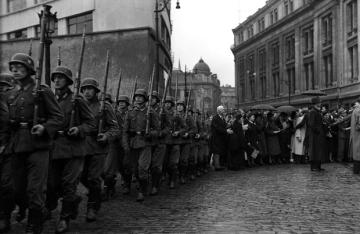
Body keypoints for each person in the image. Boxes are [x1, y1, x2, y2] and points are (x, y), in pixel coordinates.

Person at [6, 53, 64, 233]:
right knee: (16, 188)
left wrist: (44, 127)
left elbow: (58, 117)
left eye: (19, 67)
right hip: (16, 144)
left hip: (38, 145)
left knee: (35, 188)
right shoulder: (11, 93)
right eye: (13, 67)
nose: (15, 70)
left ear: (29, 69)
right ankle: (37, 210)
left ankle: (34, 222)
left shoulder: (42, 90)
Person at [47, 66, 96, 233]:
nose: (57, 80)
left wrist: (79, 130)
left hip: (74, 148)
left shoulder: (77, 100)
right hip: (54, 147)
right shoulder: (50, 98)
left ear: (68, 81)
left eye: (61, 78)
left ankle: (64, 218)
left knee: (69, 183)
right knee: (52, 184)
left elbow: (91, 123)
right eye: (55, 78)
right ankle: (73, 200)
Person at [80, 78, 119, 222]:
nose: (86, 92)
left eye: (89, 89)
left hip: (98, 146)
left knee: (93, 178)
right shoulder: (79, 104)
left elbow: (115, 128)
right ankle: (95, 194)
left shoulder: (104, 106)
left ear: (96, 91)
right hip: (81, 146)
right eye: (84, 89)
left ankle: (92, 208)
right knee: (81, 176)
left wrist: (107, 136)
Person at [122, 89, 159, 202]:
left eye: (140, 97)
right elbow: (125, 131)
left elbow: (157, 130)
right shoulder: (130, 112)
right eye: (136, 97)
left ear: (144, 99)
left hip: (145, 143)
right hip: (133, 143)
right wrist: (125, 145)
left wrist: (149, 133)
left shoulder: (150, 112)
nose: (138, 99)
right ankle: (142, 186)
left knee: (142, 169)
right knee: (134, 170)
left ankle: (142, 191)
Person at [0, 73, 15, 233]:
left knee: (7, 185)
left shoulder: (17, 103)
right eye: (0, 86)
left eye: (6, 87)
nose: (3, 90)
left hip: (11, 149)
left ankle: (5, 215)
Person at [210, 106, 233, 171]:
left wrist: (229, 125)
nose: (224, 111)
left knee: (219, 151)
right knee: (216, 152)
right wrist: (226, 131)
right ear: (219, 111)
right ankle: (217, 166)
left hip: (221, 138)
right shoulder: (215, 118)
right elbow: (217, 128)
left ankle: (219, 164)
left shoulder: (222, 118)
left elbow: (224, 125)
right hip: (216, 138)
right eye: (223, 110)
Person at [307, 97, 326, 171]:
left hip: (319, 134)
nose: (320, 103)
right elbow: (311, 124)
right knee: (314, 150)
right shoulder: (312, 111)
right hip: (315, 135)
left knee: (319, 151)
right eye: (319, 102)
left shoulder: (317, 111)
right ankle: (314, 167)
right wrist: (317, 131)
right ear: (316, 103)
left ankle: (318, 166)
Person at [349, 98, 360, 174]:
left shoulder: (355, 110)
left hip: (355, 134)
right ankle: (357, 170)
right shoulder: (358, 110)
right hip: (358, 134)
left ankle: (356, 170)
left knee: (356, 152)